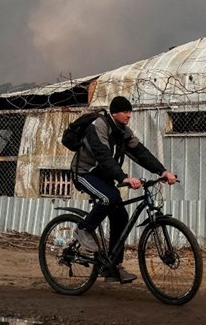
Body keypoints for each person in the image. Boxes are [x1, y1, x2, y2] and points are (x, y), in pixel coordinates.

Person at [70, 95, 177, 284]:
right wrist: (123, 177)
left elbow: (140, 152)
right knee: (109, 198)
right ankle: (84, 229)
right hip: (84, 173)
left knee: (121, 216)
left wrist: (162, 170)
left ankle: (113, 267)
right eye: (125, 112)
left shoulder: (123, 131)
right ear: (114, 112)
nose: (129, 115)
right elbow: (103, 155)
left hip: (102, 176)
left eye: (130, 112)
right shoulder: (99, 126)